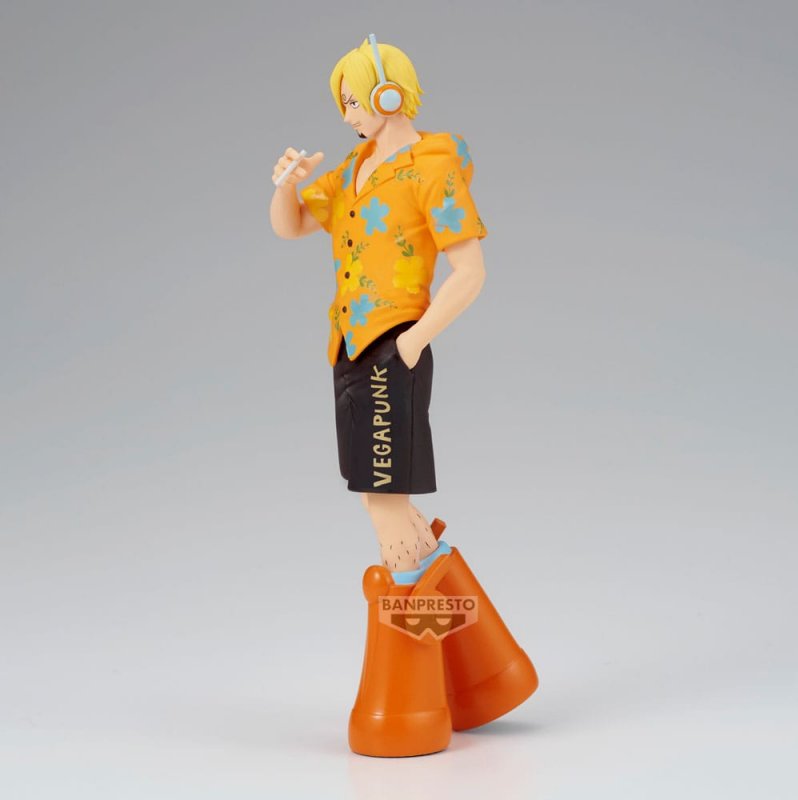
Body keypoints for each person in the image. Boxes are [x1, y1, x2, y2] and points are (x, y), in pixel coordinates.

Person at [270, 34, 537, 758]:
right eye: (342, 103)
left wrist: (413, 343)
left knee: (384, 500)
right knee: (378, 497)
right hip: (347, 344)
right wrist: (285, 184)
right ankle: (486, 675)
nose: (347, 114)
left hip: (391, 342)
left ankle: (415, 702)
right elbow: (292, 226)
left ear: (390, 94)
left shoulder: (432, 166)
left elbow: (470, 271)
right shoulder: (356, 169)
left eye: (354, 99)